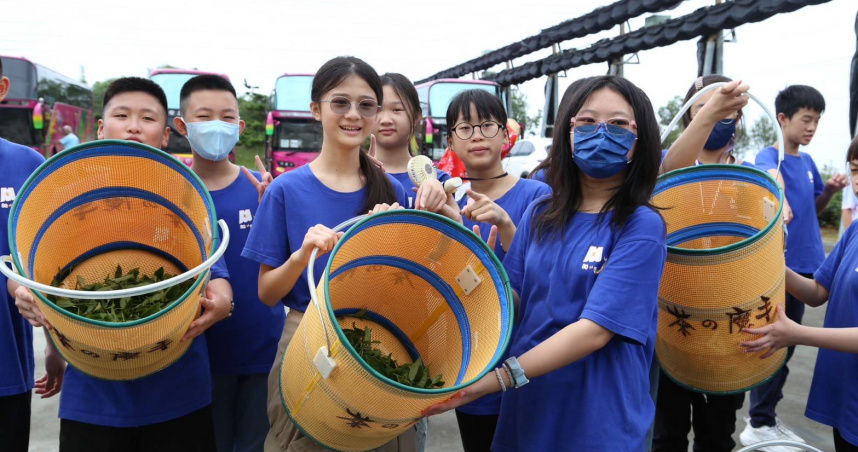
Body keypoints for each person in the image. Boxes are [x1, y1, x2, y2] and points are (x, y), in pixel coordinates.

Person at [425, 75, 667, 451]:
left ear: (640, 139)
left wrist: (497, 379)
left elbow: (594, 330)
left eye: (618, 123)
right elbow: (512, 299)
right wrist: (469, 264)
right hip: (529, 409)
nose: (601, 132)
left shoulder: (641, 226)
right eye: (587, 121)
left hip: (596, 420)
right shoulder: (541, 213)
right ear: (567, 131)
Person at [15, 77, 233, 452]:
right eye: (121, 116)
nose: (134, 126)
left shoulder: (184, 199)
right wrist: (24, 295)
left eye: (147, 118)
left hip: (178, 391)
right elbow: (34, 273)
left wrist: (223, 304)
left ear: (165, 135)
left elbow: (217, 273)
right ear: (101, 128)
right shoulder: (69, 197)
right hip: (93, 394)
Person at [240, 56, 412, 452]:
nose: (353, 114)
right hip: (305, 338)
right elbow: (267, 292)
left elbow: (403, 289)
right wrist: (301, 256)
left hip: (378, 342)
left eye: (366, 105)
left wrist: (391, 241)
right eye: (340, 102)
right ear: (316, 110)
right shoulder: (285, 190)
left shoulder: (393, 193)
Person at [174, 74, 286, 452]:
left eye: (226, 117)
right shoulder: (173, 192)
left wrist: (274, 210)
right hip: (195, 353)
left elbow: (287, 264)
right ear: (182, 126)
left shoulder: (264, 189)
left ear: (239, 127)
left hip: (261, 352)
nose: (216, 126)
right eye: (204, 117)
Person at [445, 89, 550, 452]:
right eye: (465, 128)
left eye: (487, 125)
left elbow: (547, 276)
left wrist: (506, 224)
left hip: (529, 354)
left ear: (506, 135)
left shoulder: (537, 195)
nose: (477, 135)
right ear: (450, 141)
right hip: (472, 357)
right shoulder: (446, 202)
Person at [746, 85, 849, 449]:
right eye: (806, 119)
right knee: (775, 345)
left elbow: (813, 209)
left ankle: (766, 419)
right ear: (783, 118)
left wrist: (830, 192)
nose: (812, 127)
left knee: (786, 348)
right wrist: (779, 197)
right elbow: (767, 178)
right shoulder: (770, 157)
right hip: (782, 270)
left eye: (817, 121)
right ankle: (759, 423)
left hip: (809, 268)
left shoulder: (807, 163)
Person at [652, 75, 751, 452]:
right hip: (672, 319)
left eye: (727, 110)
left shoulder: (752, 176)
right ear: (688, 116)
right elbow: (666, 172)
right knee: (666, 434)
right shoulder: (669, 165)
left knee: (717, 434)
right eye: (704, 108)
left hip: (727, 324)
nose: (715, 115)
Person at [0, 53, 66, 452]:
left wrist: (55, 345)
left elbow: (45, 266)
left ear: (2, 89)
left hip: (9, 369)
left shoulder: (28, 165)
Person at [372, 72, 449, 213]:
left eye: (397, 110)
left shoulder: (439, 182)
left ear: (416, 117)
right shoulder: (353, 178)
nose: (386, 120)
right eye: (377, 110)